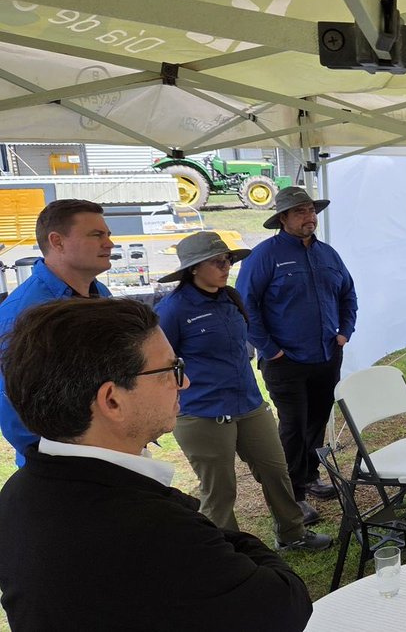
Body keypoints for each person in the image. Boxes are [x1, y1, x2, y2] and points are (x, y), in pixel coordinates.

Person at [0, 297, 313, 631]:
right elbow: (287, 604)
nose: (184, 382)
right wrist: (234, 543)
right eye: (171, 370)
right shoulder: (154, 532)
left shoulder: (17, 495)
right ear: (112, 400)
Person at [157, 231, 332, 550]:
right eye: (217, 262)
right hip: (203, 414)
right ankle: (227, 552)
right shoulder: (173, 309)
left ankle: (292, 534)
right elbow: (159, 363)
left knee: (276, 471)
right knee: (220, 490)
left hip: (249, 404)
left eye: (228, 260)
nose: (226, 266)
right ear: (194, 268)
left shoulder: (231, 298)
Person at [237, 187, 357, 518]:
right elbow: (245, 306)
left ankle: (311, 475)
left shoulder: (328, 254)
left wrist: (344, 332)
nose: (310, 217)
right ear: (283, 219)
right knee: (293, 425)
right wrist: (272, 350)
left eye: (311, 210)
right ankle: (293, 494)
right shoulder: (264, 256)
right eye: (301, 212)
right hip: (285, 361)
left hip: (326, 354)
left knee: (317, 421)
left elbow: (348, 294)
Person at [0, 199, 113, 466]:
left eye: (108, 234)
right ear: (57, 242)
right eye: (96, 235)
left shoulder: (101, 295)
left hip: (114, 450)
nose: (109, 243)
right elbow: (12, 404)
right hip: (66, 466)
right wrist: (56, 466)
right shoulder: (23, 313)